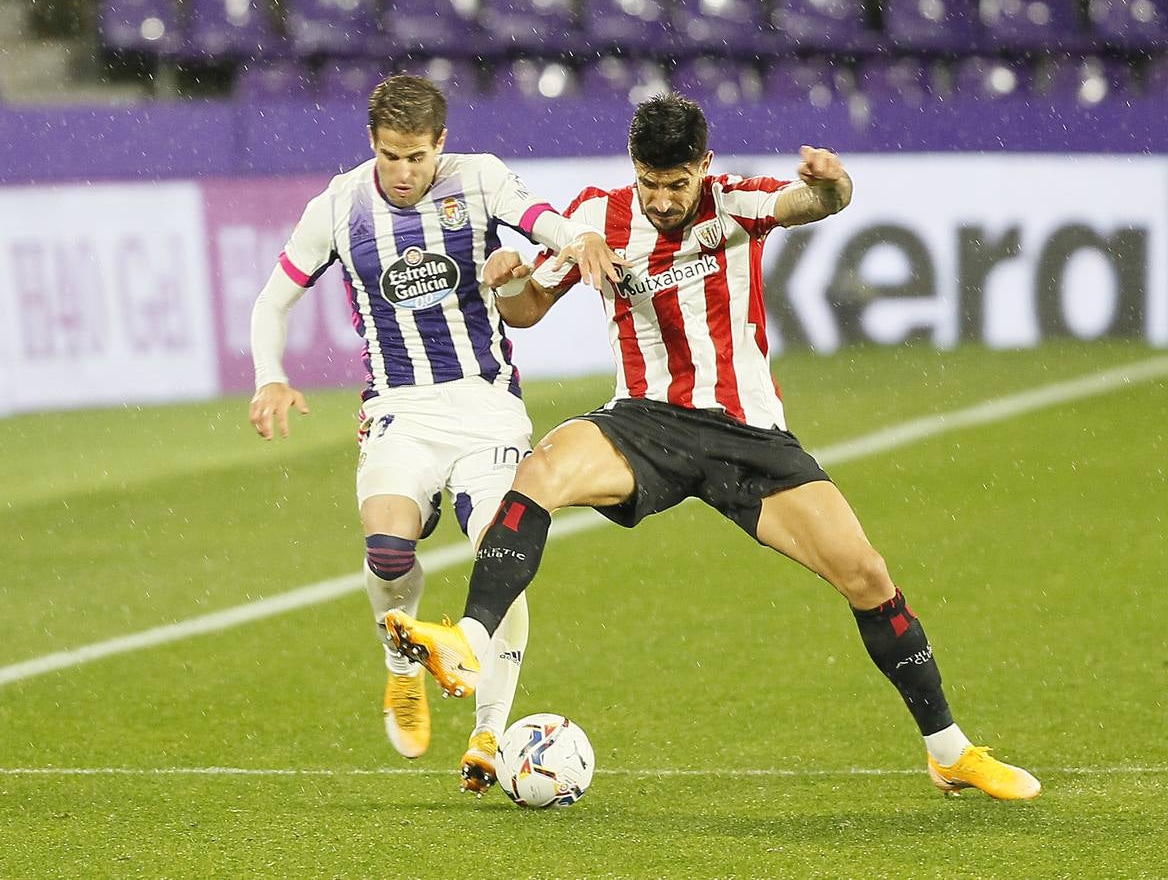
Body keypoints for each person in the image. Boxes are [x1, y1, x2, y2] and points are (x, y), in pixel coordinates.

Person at [384, 93, 1041, 801]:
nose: (662, 201)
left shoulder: (735, 205)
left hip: (746, 435)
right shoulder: (600, 219)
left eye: (676, 183)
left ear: (706, 165)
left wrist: (832, 182)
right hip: (645, 423)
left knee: (867, 575)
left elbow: (815, 204)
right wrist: (509, 280)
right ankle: (469, 642)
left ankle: (949, 752)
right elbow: (528, 311)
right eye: (648, 183)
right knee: (541, 468)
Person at [247, 74, 624, 795]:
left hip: (486, 406)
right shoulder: (340, 204)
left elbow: (539, 214)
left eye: (417, 157)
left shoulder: (477, 180)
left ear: (440, 144)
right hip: (400, 409)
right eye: (391, 156)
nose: (404, 173)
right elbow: (275, 296)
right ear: (372, 144)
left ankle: (488, 732)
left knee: (499, 553)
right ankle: (401, 674)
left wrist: (576, 238)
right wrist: (270, 374)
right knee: (388, 549)